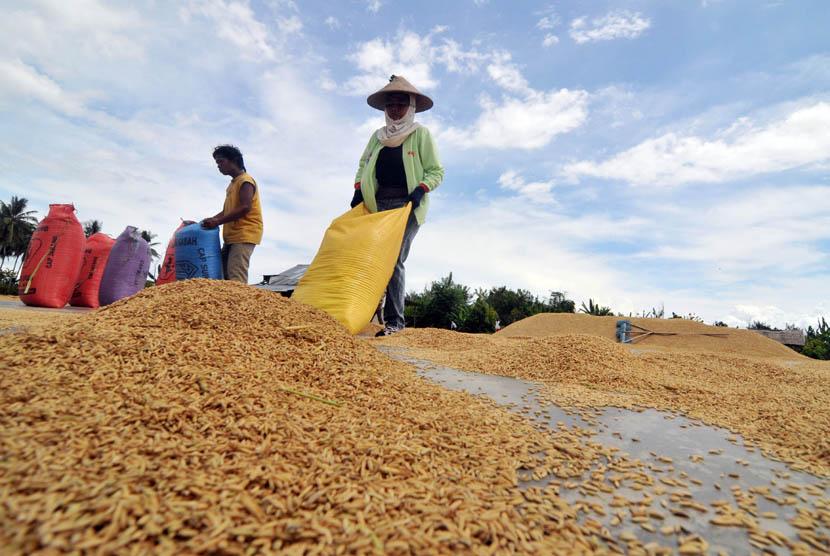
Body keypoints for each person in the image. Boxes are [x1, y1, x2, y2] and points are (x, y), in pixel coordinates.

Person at [350, 75, 444, 336]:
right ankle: (363, 312)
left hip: (407, 205)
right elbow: (363, 165)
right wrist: (359, 190)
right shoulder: (378, 137)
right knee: (370, 257)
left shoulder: (420, 134)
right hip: (377, 204)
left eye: (401, 104)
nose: (395, 109)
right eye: (390, 104)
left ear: (411, 106)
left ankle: (395, 322)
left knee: (393, 259)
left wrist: (419, 191)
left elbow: (436, 171)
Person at [202, 145, 263, 284]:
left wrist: (217, 222)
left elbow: (244, 207)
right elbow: (227, 211)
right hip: (231, 236)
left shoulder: (245, 180)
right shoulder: (232, 185)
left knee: (236, 275)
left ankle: (241, 305)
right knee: (223, 275)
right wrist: (211, 220)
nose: (218, 166)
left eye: (221, 161)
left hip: (244, 233)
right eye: (217, 163)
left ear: (234, 160)